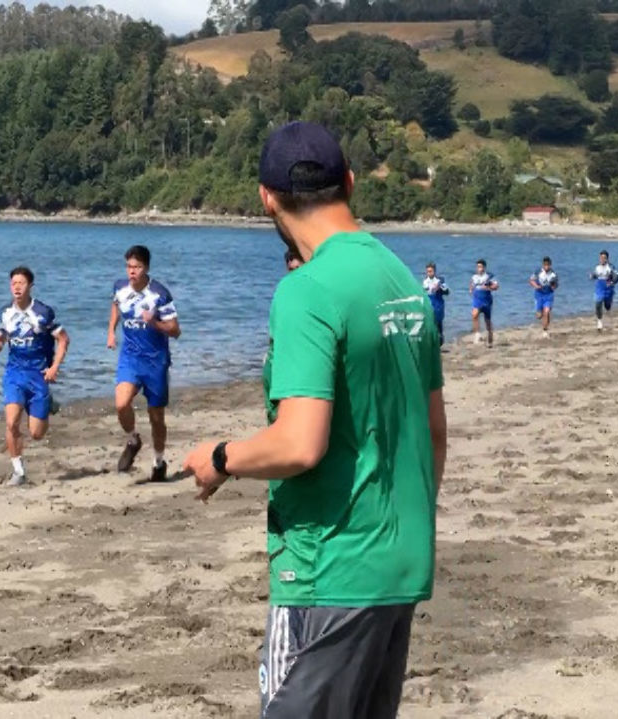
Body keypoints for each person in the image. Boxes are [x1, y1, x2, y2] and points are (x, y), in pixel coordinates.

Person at [183, 121, 446, 719]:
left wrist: (220, 457)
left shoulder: (307, 290)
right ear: (350, 183)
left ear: (266, 197)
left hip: (328, 567)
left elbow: (301, 444)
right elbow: (433, 432)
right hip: (400, 560)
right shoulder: (403, 280)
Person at [0, 266, 69, 486]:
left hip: (38, 375)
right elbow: (0, 338)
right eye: (13, 283)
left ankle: (47, 403)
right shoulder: (5, 313)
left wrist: (54, 367)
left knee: (37, 434)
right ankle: (18, 471)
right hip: (14, 373)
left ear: (30, 286)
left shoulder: (43, 313)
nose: (17, 287)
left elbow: (63, 339)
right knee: (11, 423)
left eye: (21, 283)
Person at [107, 245, 181, 482]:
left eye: (137, 267)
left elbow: (175, 330)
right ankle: (133, 439)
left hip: (156, 362)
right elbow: (116, 306)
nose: (132, 271)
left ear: (146, 267)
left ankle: (158, 462)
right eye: (129, 266)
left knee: (156, 417)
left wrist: (155, 324)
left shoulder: (160, 294)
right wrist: (111, 331)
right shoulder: (120, 287)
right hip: (130, 358)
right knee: (121, 404)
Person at [262, 251, 304, 425]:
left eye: (298, 263)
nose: (293, 266)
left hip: (296, 363)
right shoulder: (284, 291)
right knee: (276, 416)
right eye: (289, 263)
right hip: (278, 360)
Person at [469, 259, 499, 346]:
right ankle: (477, 334)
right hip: (477, 300)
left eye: (481, 267)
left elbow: (496, 286)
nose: (479, 268)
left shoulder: (489, 276)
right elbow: (471, 284)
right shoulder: (474, 276)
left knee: (487, 321)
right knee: (474, 315)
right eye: (478, 267)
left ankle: (490, 336)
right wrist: (471, 289)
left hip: (487, 300)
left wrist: (490, 287)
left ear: (484, 267)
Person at [529, 256, 559, 339]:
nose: (546, 267)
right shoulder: (538, 272)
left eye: (548, 265)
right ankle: (542, 317)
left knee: (547, 312)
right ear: (543, 265)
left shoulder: (553, 274)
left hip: (548, 295)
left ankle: (545, 331)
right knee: (539, 315)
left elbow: (556, 285)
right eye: (545, 265)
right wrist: (536, 286)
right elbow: (531, 281)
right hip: (539, 295)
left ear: (550, 265)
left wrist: (553, 286)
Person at [590, 250, 618, 331]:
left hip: (608, 289)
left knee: (607, 306)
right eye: (601, 258)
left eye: (604, 258)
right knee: (598, 303)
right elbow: (594, 275)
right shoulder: (597, 267)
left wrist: (612, 282)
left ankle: (608, 320)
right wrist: (592, 276)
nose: (602, 259)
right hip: (599, 288)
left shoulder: (610, 267)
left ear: (607, 259)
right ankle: (599, 322)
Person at [422, 262, 449, 345]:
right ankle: (432, 342)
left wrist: (440, 289)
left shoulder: (440, 280)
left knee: (438, 324)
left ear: (434, 271)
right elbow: (423, 293)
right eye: (428, 271)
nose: (429, 273)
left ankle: (440, 342)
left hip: (438, 305)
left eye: (431, 271)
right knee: (429, 324)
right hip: (429, 305)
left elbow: (447, 292)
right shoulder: (425, 281)